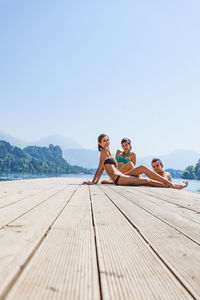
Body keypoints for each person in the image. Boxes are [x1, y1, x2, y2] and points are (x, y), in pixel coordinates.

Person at [83, 134, 188, 189]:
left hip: (121, 175)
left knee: (142, 168)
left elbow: (107, 168)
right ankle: (172, 186)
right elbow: (100, 167)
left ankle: (170, 184)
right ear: (100, 143)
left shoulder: (109, 151)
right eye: (104, 141)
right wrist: (93, 182)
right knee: (146, 181)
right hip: (118, 179)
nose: (107, 142)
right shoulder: (104, 151)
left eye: (107, 139)